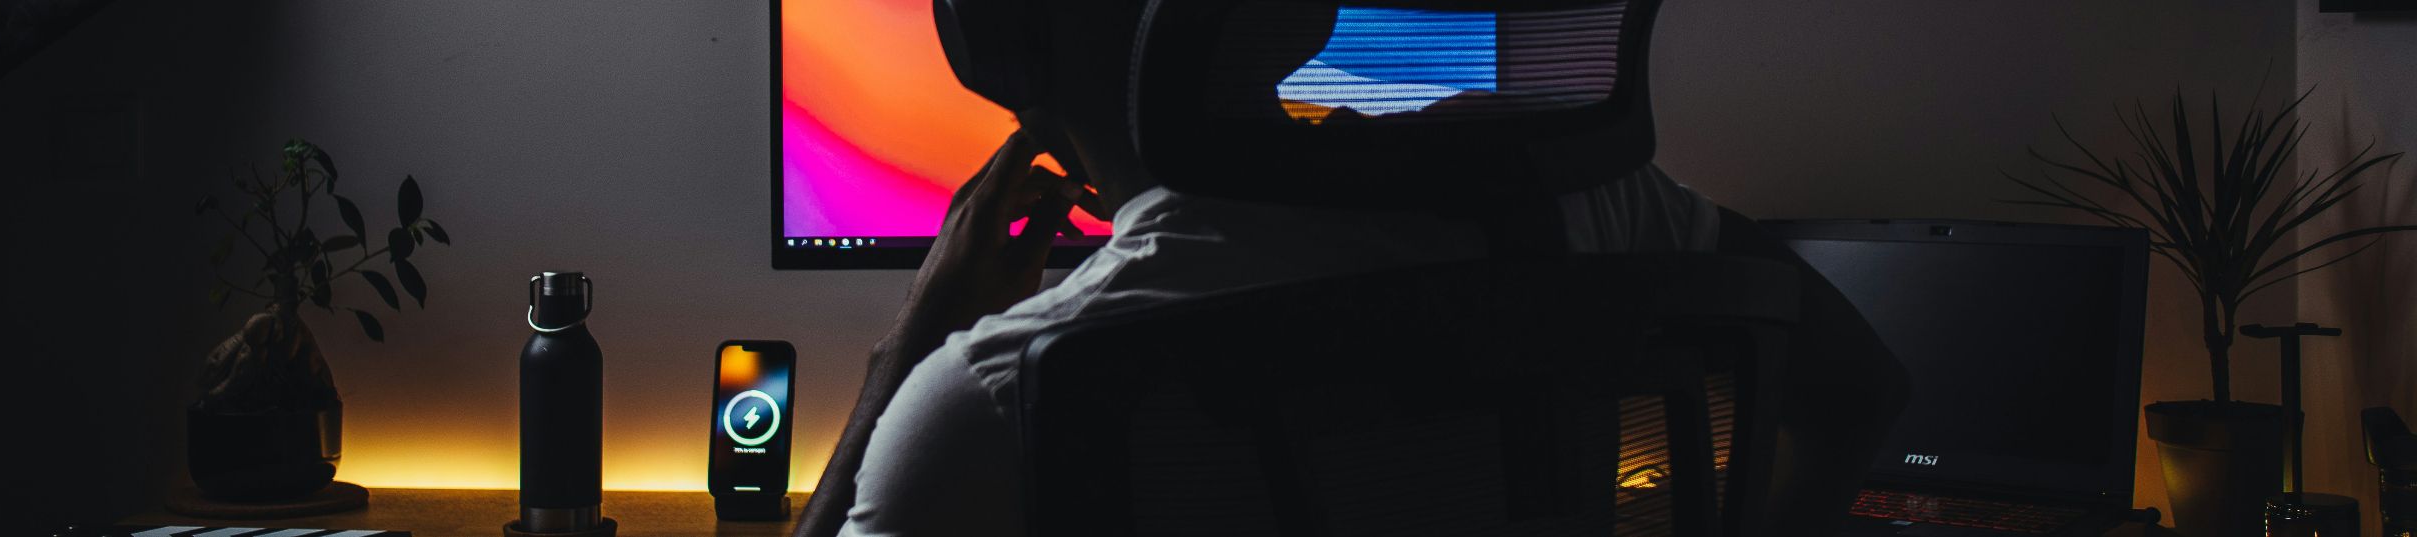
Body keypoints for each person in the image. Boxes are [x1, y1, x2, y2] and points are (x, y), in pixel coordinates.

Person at [793, 2, 1907, 536]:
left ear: (992, 44)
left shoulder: (1004, 389)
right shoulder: (1608, 207)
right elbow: (1863, 389)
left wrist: (919, 339)